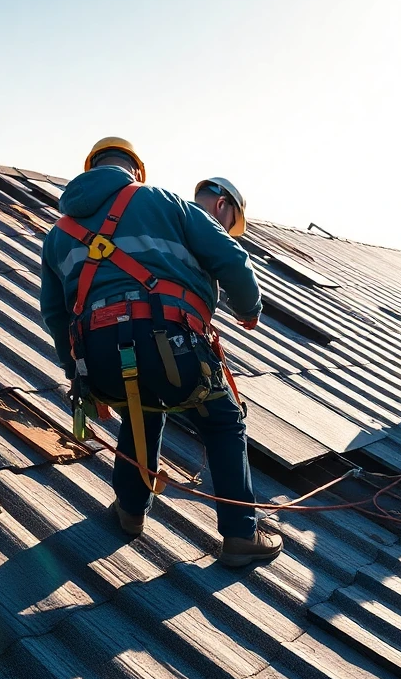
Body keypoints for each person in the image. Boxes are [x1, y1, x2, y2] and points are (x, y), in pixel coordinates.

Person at [39, 138, 282, 566]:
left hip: (97, 363)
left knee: (143, 407)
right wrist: (249, 310)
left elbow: (56, 314)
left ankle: (130, 512)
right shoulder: (163, 201)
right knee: (224, 421)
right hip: (169, 342)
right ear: (136, 172)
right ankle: (241, 535)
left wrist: (73, 369)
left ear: (91, 170)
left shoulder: (59, 233)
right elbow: (233, 259)